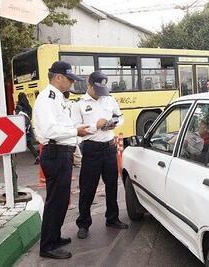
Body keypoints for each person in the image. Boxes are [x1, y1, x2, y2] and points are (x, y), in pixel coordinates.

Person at [33, 61, 91, 260]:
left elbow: (62, 127)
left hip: (62, 152)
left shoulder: (58, 98)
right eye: (69, 79)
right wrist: (75, 131)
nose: (71, 83)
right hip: (55, 152)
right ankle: (48, 245)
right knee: (55, 201)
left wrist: (76, 135)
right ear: (58, 77)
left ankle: (54, 237)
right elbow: (50, 130)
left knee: (61, 200)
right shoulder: (47, 98)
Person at [71, 71, 128, 240]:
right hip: (91, 149)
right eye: (97, 89)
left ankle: (112, 218)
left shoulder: (109, 99)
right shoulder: (79, 104)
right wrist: (95, 126)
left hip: (109, 148)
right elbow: (75, 129)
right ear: (89, 85)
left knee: (112, 185)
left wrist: (114, 124)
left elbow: (120, 117)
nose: (100, 93)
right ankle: (83, 224)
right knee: (87, 188)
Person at [15, 92, 39, 164]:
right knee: (29, 144)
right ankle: (37, 157)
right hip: (28, 127)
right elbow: (30, 115)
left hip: (22, 128)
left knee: (16, 144)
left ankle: (11, 159)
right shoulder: (28, 106)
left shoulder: (19, 107)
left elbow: (17, 116)